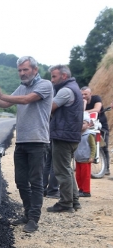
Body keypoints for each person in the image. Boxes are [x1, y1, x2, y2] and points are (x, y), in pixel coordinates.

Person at [0, 56, 53, 233]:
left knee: (36, 181)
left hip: (38, 141)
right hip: (22, 140)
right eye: (19, 70)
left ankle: (34, 218)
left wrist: (2, 94)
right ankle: (27, 213)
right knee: (20, 181)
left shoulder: (45, 85)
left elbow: (26, 100)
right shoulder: (22, 87)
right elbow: (4, 103)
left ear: (35, 69)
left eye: (25, 70)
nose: (22, 73)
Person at [46, 65, 82, 213]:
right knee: (66, 169)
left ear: (64, 76)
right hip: (71, 135)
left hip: (63, 135)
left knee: (61, 171)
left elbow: (48, 108)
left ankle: (66, 203)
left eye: (54, 76)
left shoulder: (65, 91)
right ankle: (74, 200)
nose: (51, 80)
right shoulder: (74, 88)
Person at [81, 87, 109, 176]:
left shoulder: (96, 98)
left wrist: (84, 112)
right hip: (87, 127)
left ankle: (107, 168)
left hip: (100, 125)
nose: (83, 96)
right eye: (82, 94)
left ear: (90, 94)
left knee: (104, 146)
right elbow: (79, 111)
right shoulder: (81, 101)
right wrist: (83, 104)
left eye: (85, 94)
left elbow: (97, 109)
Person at [75, 115, 96, 198]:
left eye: (83, 123)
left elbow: (93, 146)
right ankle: (81, 189)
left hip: (86, 159)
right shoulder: (77, 134)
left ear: (88, 125)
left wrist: (92, 156)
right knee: (78, 176)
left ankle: (86, 191)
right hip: (78, 158)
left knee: (85, 176)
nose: (81, 125)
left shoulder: (89, 135)